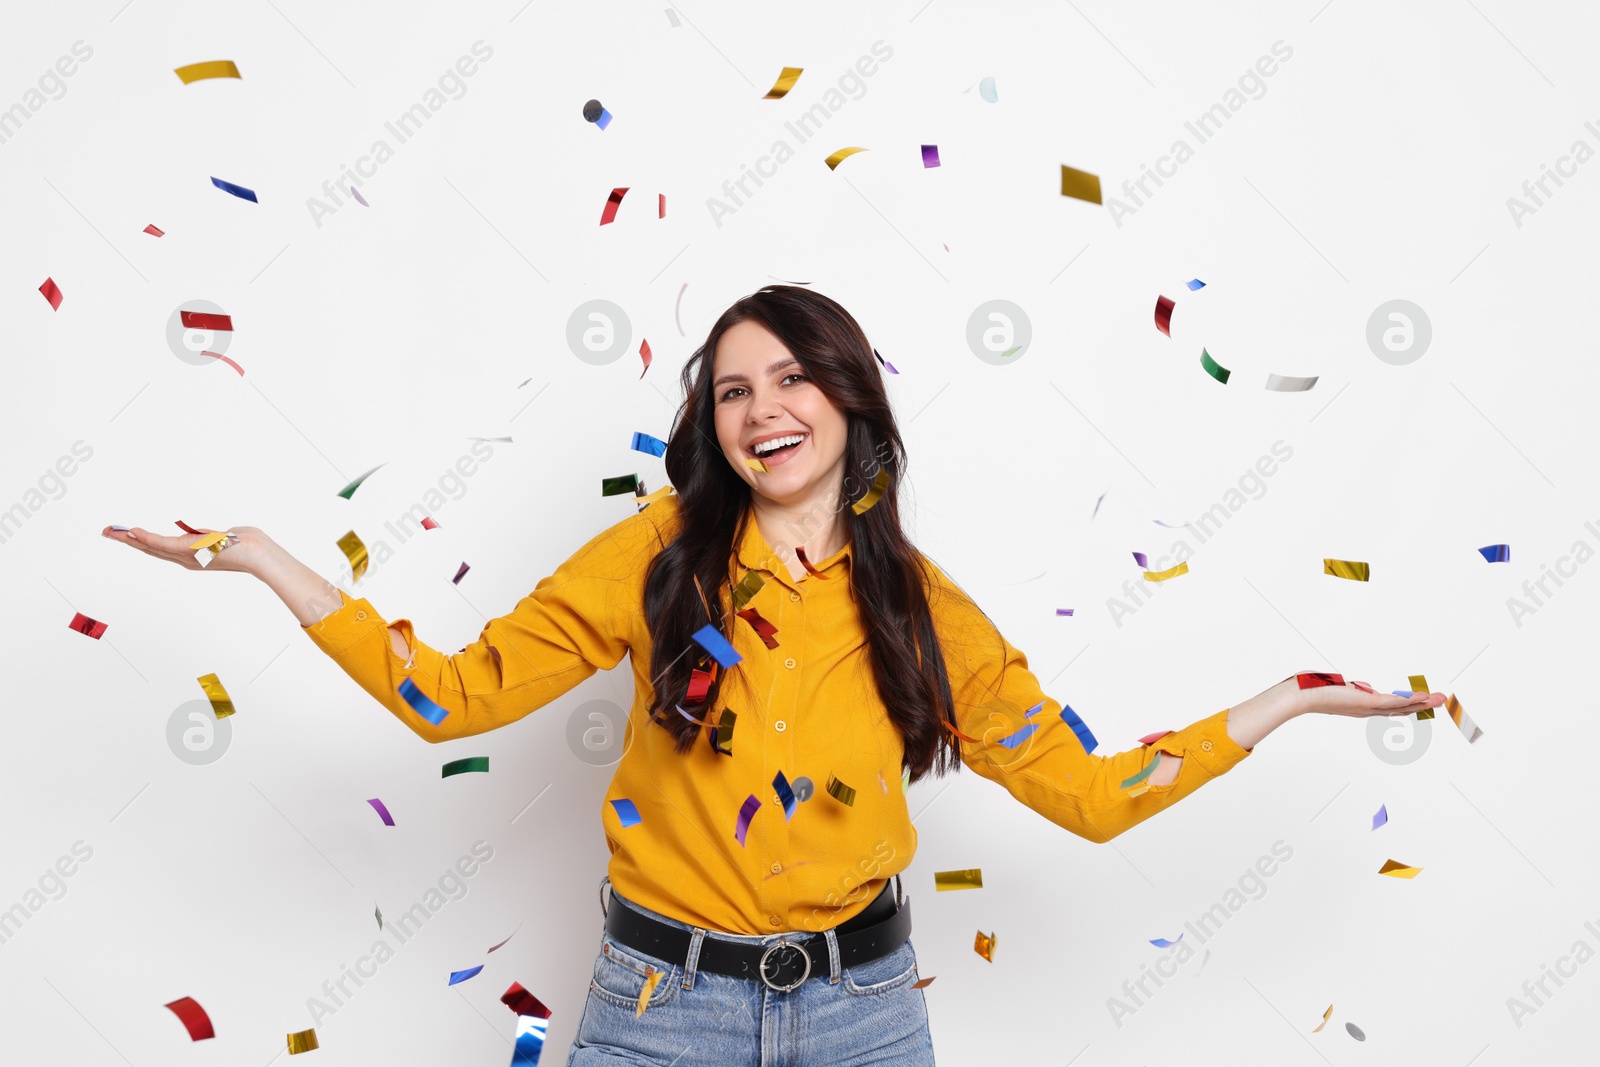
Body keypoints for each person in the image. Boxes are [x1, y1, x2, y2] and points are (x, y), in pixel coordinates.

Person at [102, 286, 1445, 1065]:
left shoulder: (924, 610)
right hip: (656, 1009)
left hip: (866, 1016)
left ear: (850, 401)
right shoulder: (652, 556)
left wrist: (1286, 701)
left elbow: (1091, 796)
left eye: (792, 378)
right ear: (713, 426)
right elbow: (445, 697)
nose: (763, 410)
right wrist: (268, 561)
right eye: (733, 391)